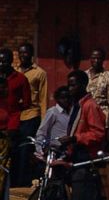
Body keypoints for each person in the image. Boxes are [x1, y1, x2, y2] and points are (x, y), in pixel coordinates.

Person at [64, 70, 107, 200]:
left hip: (85, 158)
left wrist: (76, 138)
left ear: (83, 85)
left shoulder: (90, 106)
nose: (70, 88)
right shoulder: (76, 105)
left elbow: (98, 133)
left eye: (73, 85)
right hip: (73, 154)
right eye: (69, 85)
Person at [14, 42, 47, 186]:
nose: (23, 56)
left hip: (31, 115)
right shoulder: (14, 72)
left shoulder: (39, 73)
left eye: (26, 53)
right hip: (15, 116)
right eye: (20, 53)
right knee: (15, 148)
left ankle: (24, 180)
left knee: (26, 150)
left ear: (31, 54)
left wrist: (44, 122)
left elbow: (43, 99)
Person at [0, 48, 31, 188]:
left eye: (4, 61)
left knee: (8, 162)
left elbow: (26, 102)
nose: (1, 64)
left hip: (11, 126)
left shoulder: (20, 79)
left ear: (11, 61)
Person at [85, 48, 109, 150]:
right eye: (93, 58)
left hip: (102, 119)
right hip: (86, 120)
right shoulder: (84, 76)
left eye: (98, 58)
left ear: (103, 60)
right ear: (90, 59)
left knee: (102, 152)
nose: (96, 61)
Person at [34, 86, 72, 159]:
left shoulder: (71, 113)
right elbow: (42, 131)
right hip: (54, 151)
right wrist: (40, 149)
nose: (66, 100)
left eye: (68, 98)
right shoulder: (53, 112)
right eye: (63, 98)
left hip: (67, 152)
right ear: (57, 99)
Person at [0, 77, 13, 200]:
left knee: (3, 185)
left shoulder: (8, 104)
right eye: (2, 87)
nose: (5, 90)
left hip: (5, 147)